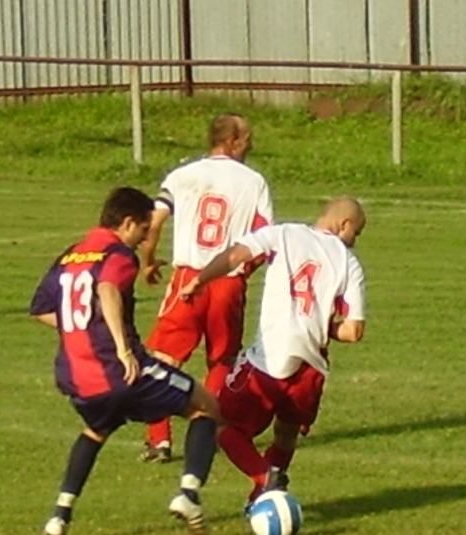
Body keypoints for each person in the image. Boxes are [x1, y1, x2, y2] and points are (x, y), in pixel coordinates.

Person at [29, 186, 221, 535]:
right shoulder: (117, 255)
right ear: (128, 222)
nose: (146, 237)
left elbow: (41, 309)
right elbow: (106, 290)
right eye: (145, 229)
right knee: (206, 407)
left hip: (78, 376)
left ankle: (59, 516)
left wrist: (80, 328)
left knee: (96, 431)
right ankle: (188, 494)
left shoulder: (70, 255)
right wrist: (122, 348)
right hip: (121, 370)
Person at [177, 196, 367, 511]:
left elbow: (236, 254)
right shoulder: (349, 263)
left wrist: (200, 279)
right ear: (344, 223)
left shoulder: (283, 234)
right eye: (356, 233)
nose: (354, 241)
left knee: (220, 423)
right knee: (286, 434)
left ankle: (266, 477)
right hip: (311, 365)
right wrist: (321, 326)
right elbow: (354, 330)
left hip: (270, 356)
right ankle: (263, 498)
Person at [138, 112, 274, 462]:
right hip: (227, 281)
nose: (251, 144)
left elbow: (154, 222)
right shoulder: (254, 182)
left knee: (165, 358)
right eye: (247, 138)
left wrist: (148, 259)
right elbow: (264, 237)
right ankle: (209, 430)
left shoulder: (183, 176)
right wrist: (245, 270)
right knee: (222, 360)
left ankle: (158, 440)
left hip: (188, 277)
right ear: (232, 141)